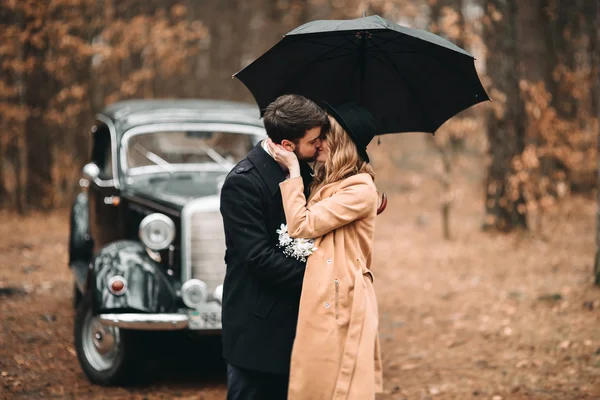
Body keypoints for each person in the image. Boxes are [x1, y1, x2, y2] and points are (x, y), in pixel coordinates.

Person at [267, 101, 383, 399]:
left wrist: (293, 170)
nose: (317, 142)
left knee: (336, 384)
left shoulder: (359, 189)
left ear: (340, 142)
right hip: (323, 293)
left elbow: (302, 225)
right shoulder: (330, 181)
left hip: (342, 296)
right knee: (315, 379)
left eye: (324, 136)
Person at [219, 94, 330, 400]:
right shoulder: (243, 183)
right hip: (258, 327)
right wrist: (319, 275)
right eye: (315, 140)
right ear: (287, 146)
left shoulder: (307, 173)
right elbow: (258, 257)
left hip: (300, 323)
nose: (321, 145)